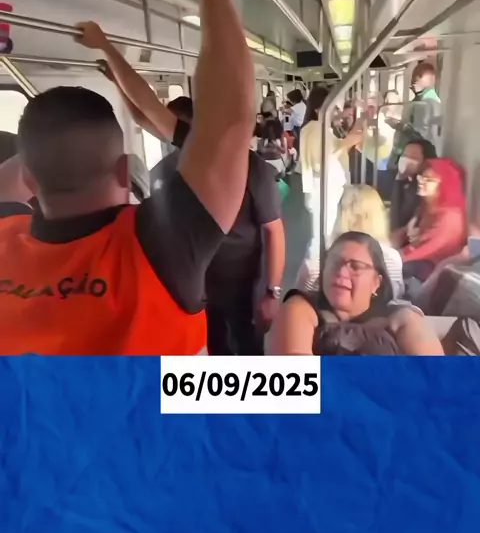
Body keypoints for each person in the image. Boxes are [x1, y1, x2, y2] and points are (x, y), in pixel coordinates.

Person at [0, 0, 257, 355]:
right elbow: (225, 118)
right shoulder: (156, 248)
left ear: (29, 176)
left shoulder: (6, 235)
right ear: (124, 170)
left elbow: (199, 115)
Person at [130, 93, 286, 355]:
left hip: (243, 279)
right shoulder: (168, 172)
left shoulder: (249, 167)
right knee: (213, 344)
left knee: (248, 345)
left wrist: (272, 291)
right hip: (196, 282)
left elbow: (274, 231)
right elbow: (141, 116)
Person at [271, 231, 444, 355]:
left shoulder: (402, 318)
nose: (341, 272)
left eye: (355, 266)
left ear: (376, 282)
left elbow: (436, 378)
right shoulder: (300, 308)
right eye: (334, 262)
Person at [295, 86, 363, 291]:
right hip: (324, 191)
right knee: (321, 239)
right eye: (333, 108)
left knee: (322, 236)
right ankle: (308, 285)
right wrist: (347, 143)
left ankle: (315, 280)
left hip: (325, 189)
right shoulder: (316, 129)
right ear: (319, 109)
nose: (337, 112)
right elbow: (321, 161)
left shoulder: (317, 127)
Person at [400, 157, 467, 284]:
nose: (421, 181)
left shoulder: (450, 217)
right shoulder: (427, 206)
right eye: (421, 177)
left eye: (428, 179)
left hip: (432, 273)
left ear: (444, 184)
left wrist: (392, 260)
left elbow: (427, 250)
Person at [390, 62, 442, 164]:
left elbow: (418, 134)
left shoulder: (421, 103)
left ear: (417, 79)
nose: (412, 85)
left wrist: (400, 126)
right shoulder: (435, 101)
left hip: (412, 157)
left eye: (413, 81)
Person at [390, 137, 437, 243]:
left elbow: (398, 219)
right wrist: (399, 179)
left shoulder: (423, 188)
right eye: (405, 155)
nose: (406, 159)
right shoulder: (406, 181)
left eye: (413, 157)